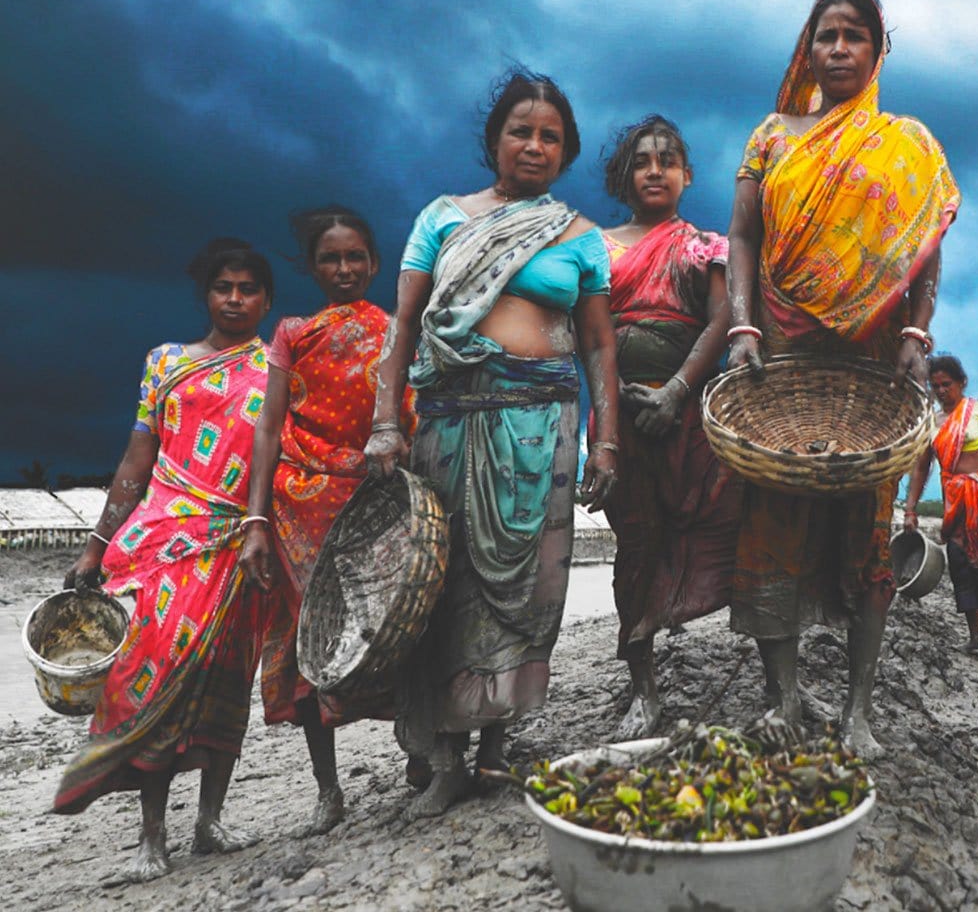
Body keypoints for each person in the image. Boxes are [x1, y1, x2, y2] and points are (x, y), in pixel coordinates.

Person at [366, 70, 620, 818]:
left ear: (565, 150)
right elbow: (403, 326)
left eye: (550, 136)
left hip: (546, 429)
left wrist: (608, 444)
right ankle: (444, 757)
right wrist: (387, 421)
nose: (534, 145)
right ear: (494, 141)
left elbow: (600, 345)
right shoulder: (442, 219)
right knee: (446, 585)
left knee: (529, 589)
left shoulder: (577, 237)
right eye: (520, 131)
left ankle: (498, 747)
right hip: (451, 421)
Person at [725, 0, 960, 757]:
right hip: (782, 356)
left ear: (876, 50)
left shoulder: (909, 146)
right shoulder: (773, 135)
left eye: (854, 36)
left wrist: (917, 336)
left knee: (864, 533)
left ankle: (858, 708)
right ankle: (784, 696)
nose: (838, 49)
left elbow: (927, 251)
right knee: (771, 527)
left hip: (869, 363)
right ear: (807, 47)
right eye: (826, 35)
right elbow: (743, 240)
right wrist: (743, 325)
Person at [56, 239, 274, 881]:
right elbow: (135, 460)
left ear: (266, 299)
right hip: (164, 542)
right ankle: (154, 836)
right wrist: (97, 544)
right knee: (158, 679)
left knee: (228, 679)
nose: (235, 299)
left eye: (248, 289)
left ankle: (209, 820)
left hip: (240, 544)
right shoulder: (166, 363)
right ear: (205, 294)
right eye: (223, 287)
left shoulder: (276, 370)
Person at [239, 206, 412, 834]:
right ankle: (328, 791)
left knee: (399, 629)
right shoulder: (291, 333)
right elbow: (268, 426)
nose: (344, 269)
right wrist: (256, 521)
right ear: (313, 267)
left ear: (374, 262)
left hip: (378, 504)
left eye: (355, 257)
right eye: (331, 258)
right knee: (310, 648)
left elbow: (408, 419)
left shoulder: (396, 330)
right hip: (298, 511)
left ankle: (420, 756)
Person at [599, 115, 742, 739]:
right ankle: (644, 690)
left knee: (728, 524)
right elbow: (592, 340)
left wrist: (677, 390)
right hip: (621, 420)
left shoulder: (706, 245)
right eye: (641, 161)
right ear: (623, 177)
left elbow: (722, 320)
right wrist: (606, 427)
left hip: (693, 418)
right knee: (635, 548)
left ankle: (766, 670)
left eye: (667, 160)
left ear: (687, 175)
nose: (654, 170)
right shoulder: (595, 249)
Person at [905, 355, 978, 656]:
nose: (941, 391)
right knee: (961, 564)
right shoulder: (932, 423)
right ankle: (975, 635)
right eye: (935, 385)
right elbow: (921, 468)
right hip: (955, 503)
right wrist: (910, 509)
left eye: (947, 384)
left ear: (962, 383)